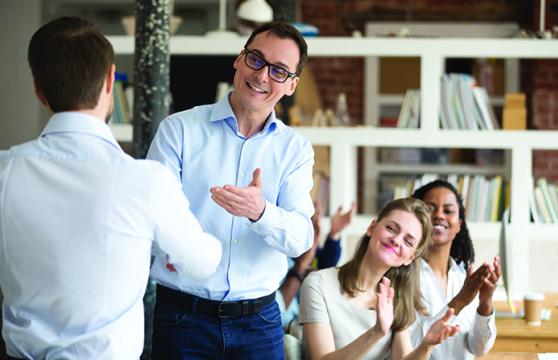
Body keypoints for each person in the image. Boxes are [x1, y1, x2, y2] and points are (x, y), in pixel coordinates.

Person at [0, 16, 222, 360]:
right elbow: (203, 263)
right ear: (109, 82)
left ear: (38, 89)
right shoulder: (146, 181)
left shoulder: (5, 171)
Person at [147, 21, 313, 359]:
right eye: (256, 59)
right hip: (183, 317)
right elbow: (151, 216)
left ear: (292, 85)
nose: (262, 75)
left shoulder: (295, 150)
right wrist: (178, 251)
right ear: (239, 60)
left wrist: (261, 212)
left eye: (279, 71)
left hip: (259, 323)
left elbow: (301, 238)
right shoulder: (178, 130)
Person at [300, 197, 460, 360]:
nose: (397, 240)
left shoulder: (395, 297)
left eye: (408, 241)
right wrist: (376, 332)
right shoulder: (318, 284)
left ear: (410, 258)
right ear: (372, 227)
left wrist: (427, 346)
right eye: (391, 228)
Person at [411, 180, 501, 359]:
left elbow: (478, 348)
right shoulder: (404, 276)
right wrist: (459, 301)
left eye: (448, 210)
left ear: (459, 225)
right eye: (430, 209)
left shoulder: (462, 277)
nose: (439, 215)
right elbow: (410, 345)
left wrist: (485, 303)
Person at [277, 202, 356, 328]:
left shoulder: (309, 251)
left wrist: (334, 234)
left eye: (315, 221)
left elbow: (325, 266)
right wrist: (303, 264)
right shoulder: (284, 253)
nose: (315, 227)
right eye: (311, 221)